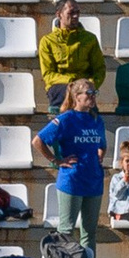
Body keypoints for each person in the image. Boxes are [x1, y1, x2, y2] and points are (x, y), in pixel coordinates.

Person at [36, 78, 106, 247]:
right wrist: (56, 160)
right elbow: (38, 141)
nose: (93, 97)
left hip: (94, 181)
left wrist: (99, 157)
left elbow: (102, 145)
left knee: (89, 233)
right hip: (72, 180)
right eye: (89, 93)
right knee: (66, 231)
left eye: (94, 93)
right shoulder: (66, 119)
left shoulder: (96, 119)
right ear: (77, 96)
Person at [37, 0, 107, 96]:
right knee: (71, 93)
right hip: (60, 87)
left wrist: (91, 83)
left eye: (77, 13)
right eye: (71, 13)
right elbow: (48, 75)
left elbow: (99, 69)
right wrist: (72, 82)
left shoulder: (90, 39)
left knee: (85, 98)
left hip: (84, 88)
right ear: (59, 15)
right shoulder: (47, 41)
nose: (75, 16)